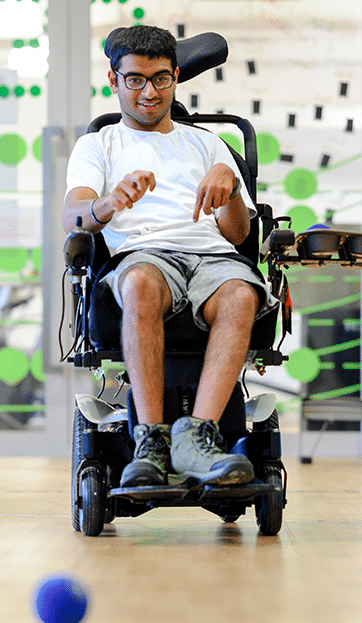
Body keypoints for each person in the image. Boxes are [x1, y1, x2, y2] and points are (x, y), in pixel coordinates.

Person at [63, 25, 278, 488]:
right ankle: (150, 441)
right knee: (139, 282)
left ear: (176, 77)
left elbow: (238, 234)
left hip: (211, 257)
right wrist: (108, 203)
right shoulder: (98, 145)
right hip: (144, 256)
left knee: (242, 295)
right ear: (113, 80)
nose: (148, 92)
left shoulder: (208, 145)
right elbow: (74, 216)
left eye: (160, 79)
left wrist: (231, 188)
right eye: (135, 79)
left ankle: (196, 439)